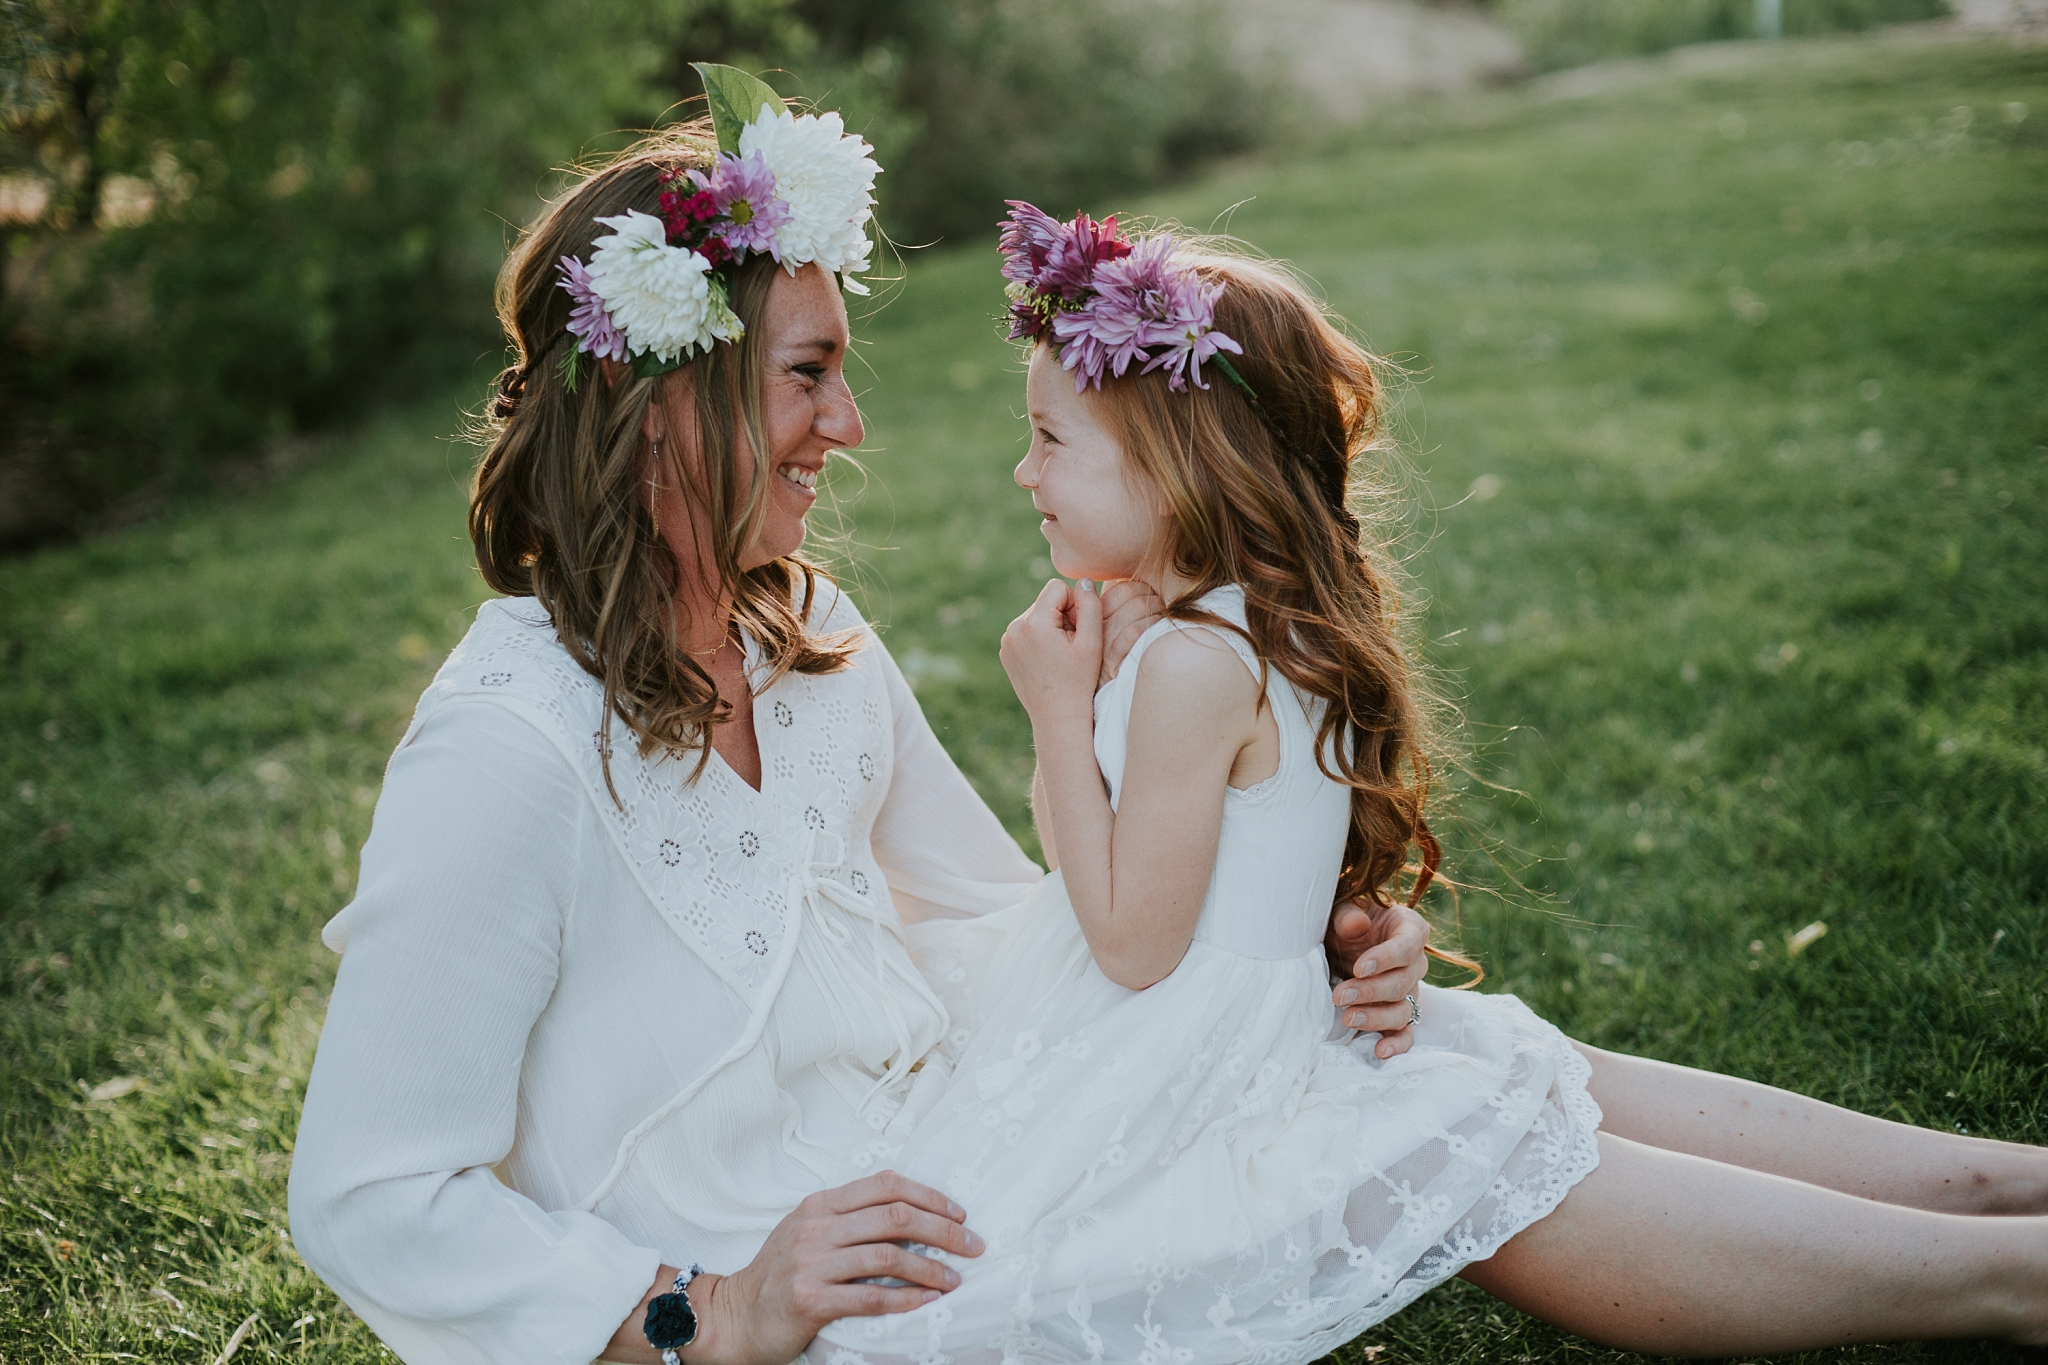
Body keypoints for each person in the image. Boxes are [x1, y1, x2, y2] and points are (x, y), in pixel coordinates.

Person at [286, 72, 1433, 1365]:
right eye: (808, 374)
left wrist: (1279, 934)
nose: (850, 422)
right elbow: (367, 1196)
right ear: (669, 403)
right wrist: (711, 1311)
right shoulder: (508, 747)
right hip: (817, 1299)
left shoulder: (808, 634)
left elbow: (1008, 925)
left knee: (1447, 1068)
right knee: (1448, 1115)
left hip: (961, 1178)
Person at [789, 202, 2046, 1363]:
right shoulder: (1234, 623)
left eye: (1048, 441)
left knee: (1484, 1130)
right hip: (1251, 1001)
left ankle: (2005, 1268)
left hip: (1190, 1050)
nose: (1023, 473)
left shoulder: (1187, 662)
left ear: (1176, 467)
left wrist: (1057, 718)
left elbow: (1127, 942)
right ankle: (1999, 1194)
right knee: (1530, 1087)